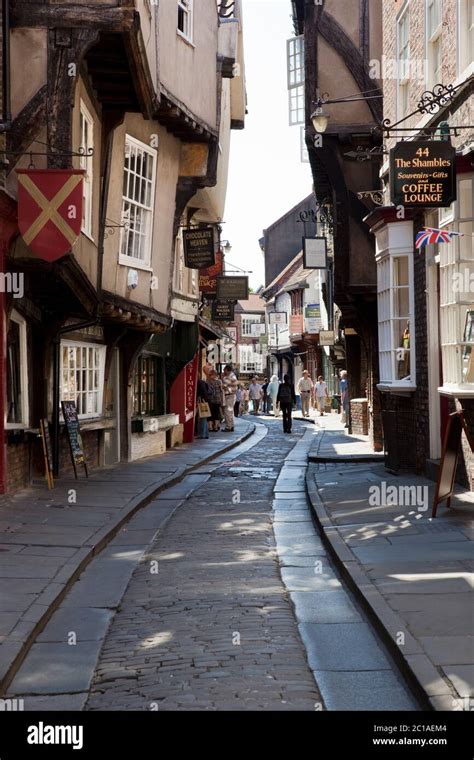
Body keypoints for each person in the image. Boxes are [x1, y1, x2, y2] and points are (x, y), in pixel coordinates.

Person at [222, 364, 238, 431]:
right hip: (230, 395)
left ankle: (229, 427)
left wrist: (225, 383)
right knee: (230, 412)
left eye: (224, 370)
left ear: (227, 370)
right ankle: (231, 426)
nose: (223, 371)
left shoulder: (231, 376)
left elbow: (235, 383)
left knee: (227, 411)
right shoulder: (229, 376)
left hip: (230, 395)